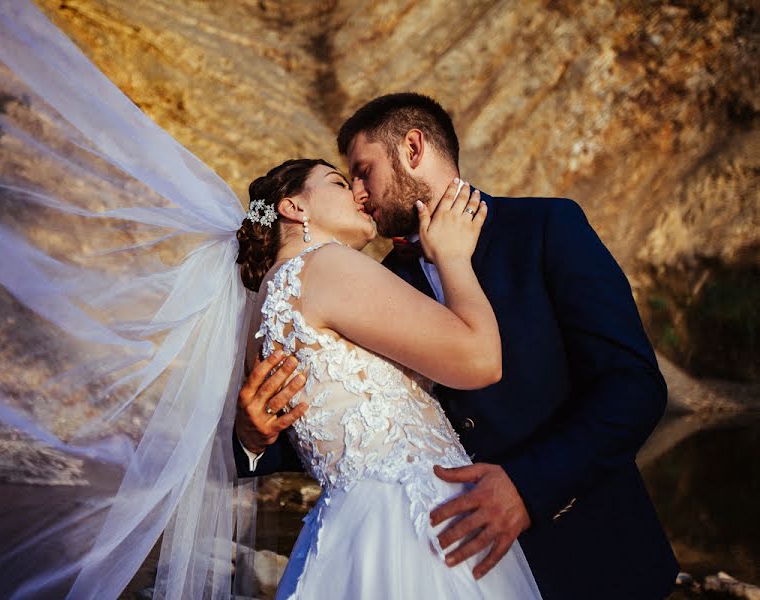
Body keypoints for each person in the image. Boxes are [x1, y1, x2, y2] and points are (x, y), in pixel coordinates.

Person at [234, 93, 679, 599]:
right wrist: (252, 441)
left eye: (363, 171)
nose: (359, 192)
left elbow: (634, 388)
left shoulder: (545, 229)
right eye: (347, 180)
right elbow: (351, 430)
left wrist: (528, 488)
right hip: (425, 559)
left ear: (413, 147)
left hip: (588, 554)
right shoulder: (375, 281)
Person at [234, 156, 542, 598]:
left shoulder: (264, 309)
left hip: (347, 527)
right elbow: (479, 358)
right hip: (414, 522)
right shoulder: (325, 265)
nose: (360, 193)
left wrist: (249, 440)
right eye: (339, 183)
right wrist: (454, 257)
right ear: (293, 208)